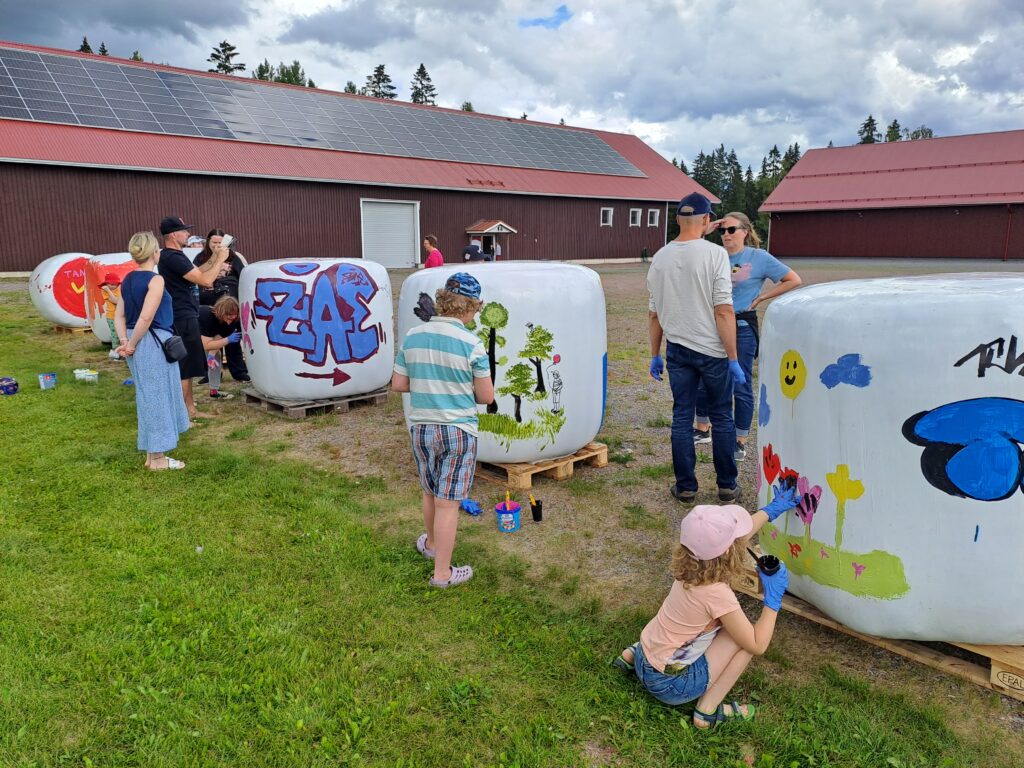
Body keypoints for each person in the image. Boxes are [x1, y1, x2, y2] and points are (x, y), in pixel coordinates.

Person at [614, 486, 798, 727]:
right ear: (730, 552)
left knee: (682, 622)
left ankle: (630, 655)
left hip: (645, 658)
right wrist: (772, 601)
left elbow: (732, 538)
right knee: (743, 640)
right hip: (670, 685)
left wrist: (770, 510)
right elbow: (758, 644)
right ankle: (707, 712)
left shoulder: (690, 567)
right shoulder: (717, 595)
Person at [391, 272, 494, 588]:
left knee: (430, 490)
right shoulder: (472, 344)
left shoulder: (413, 336)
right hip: (458, 431)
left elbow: (399, 383)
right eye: (477, 309)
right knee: (448, 501)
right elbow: (486, 396)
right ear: (470, 307)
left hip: (422, 428)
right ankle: (442, 574)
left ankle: (432, 545)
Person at [648, 192, 744, 504]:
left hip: (677, 349)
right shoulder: (715, 255)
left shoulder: (659, 258)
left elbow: (654, 313)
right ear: (706, 220)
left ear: (677, 219)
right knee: (722, 416)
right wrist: (733, 357)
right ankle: (727, 486)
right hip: (713, 352)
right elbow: (724, 310)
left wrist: (654, 354)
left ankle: (686, 487)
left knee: (682, 415)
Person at [694, 213, 802, 461]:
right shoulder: (712, 254)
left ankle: (739, 440)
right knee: (703, 378)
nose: (726, 235)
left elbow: (793, 279)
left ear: (745, 231)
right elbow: (689, 249)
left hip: (741, 325)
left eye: (731, 229)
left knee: (739, 385)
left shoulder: (758, 258)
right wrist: (703, 231)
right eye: (722, 230)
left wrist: (763, 297)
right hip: (711, 326)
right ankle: (702, 428)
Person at [113, 231, 190, 470]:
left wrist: (125, 340)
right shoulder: (155, 280)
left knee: (147, 397)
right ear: (155, 252)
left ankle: (151, 453)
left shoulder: (127, 280)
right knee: (156, 397)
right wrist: (133, 343)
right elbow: (146, 317)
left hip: (137, 341)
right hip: (152, 343)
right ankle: (157, 458)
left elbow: (120, 315)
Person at [157, 216, 230, 421]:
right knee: (184, 368)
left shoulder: (173, 256)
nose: (188, 234)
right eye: (184, 231)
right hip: (182, 316)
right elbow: (206, 280)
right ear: (173, 234)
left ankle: (190, 410)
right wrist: (221, 260)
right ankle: (183, 416)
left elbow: (199, 272)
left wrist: (215, 258)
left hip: (183, 313)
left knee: (187, 368)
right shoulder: (173, 257)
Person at [199, 296, 248, 397]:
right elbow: (206, 345)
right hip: (189, 330)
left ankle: (214, 391)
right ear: (221, 312)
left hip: (208, 337)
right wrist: (228, 339)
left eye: (234, 315)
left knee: (216, 357)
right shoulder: (207, 317)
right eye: (229, 315)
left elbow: (218, 338)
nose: (231, 318)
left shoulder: (233, 321)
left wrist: (211, 356)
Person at [194, 229, 245, 304]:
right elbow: (195, 275)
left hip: (229, 298)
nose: (217, 245)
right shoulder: (200, 257)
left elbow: (242, 274)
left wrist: (227, 273)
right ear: (208, 242)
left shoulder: (232, 256)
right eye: (214, 242)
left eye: (220, 243)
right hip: (207, 298)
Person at [100, 272, 123, 360]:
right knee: (115, 335)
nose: (113, 286)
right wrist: (108, 290)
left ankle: (122, 351)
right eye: (111, 284)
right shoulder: (104, 291)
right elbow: (115, 301)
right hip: (112, 316)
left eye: (115, 284)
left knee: (122, 334)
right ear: (106, 284)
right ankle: (115, 352)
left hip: (121, 316)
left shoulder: (118, 289)